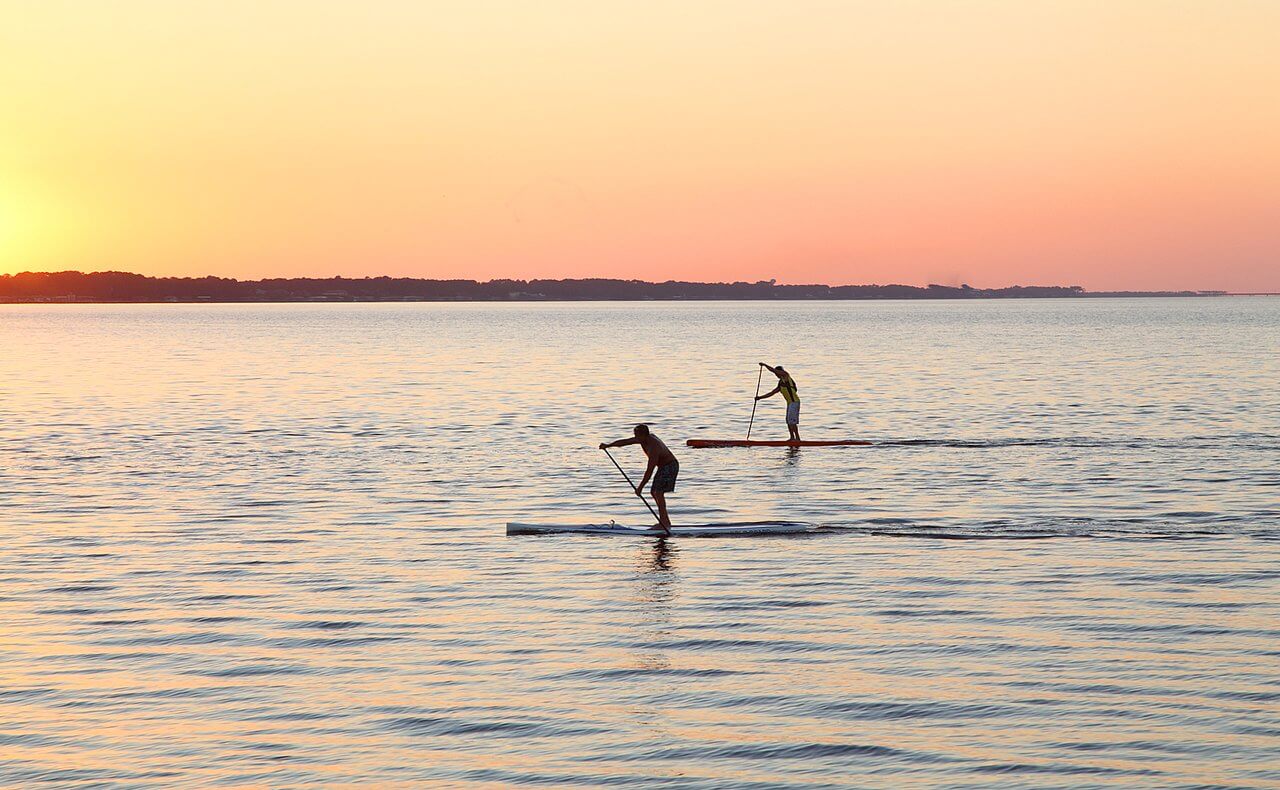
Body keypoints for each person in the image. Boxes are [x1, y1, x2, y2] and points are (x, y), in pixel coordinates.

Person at [600, 424, 679, 534]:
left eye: (637, 436)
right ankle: (664, 521)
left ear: (644, 435)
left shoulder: (654, 447)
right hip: (663, 466)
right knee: (654, 492)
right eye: (635, 436)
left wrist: (640, 488)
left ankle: (665, 523)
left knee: (658, 492)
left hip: (670, 466)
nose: (635, 438)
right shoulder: (643, 439)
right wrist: (608, 445)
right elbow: (625, 442)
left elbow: (649, 470)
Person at [756, 363, 801, 441]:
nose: (776, 375)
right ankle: (792, 438)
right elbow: (772, 393)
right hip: (790, 403)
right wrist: (760, 398)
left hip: (795, 402)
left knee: (792, 422)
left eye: (777, 373)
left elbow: (773, 370)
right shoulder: (780, 384)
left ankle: (797, 439)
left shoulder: (786, 375)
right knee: (788, 421)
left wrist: (764, 365)